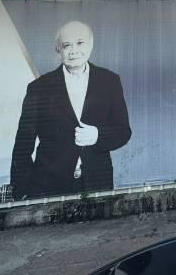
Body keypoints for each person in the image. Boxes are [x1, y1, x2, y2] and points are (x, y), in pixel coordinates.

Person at [10, 21, 131, 199]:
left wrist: (97, 135)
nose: (74, 50)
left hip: (97, 184)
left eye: (80, 43)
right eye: (67, 45)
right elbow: (23, 143)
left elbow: (123, 131)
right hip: (47, 185)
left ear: (90, 44)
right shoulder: (39, 88)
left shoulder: (110, 81)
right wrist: (21, 191)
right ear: (58, 49)